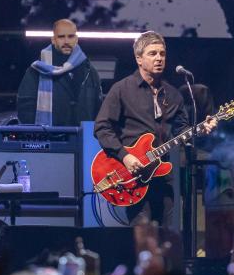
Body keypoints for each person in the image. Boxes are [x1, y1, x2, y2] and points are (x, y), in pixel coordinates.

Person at [94, 30, 215, 226]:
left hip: (164, 176)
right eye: (152, 53)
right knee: (142, 234)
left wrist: (201, 130)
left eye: (162, 53)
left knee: (170, 234)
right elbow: (102, 127)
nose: (159, 58)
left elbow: (182, 131)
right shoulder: (122, 89)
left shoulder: (173, 95)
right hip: (133, 176)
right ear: (139, 59)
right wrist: (125, 156)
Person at [16, 19, 102, 126]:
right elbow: (25, 108)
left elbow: (98, 108)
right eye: (61, 37)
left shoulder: (89, 70)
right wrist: (38, 132)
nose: (66, 41)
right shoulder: (37, 71)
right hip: (50, 134)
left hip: (83, 134)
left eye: (70, 36)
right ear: (53, 40)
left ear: (76, 39)